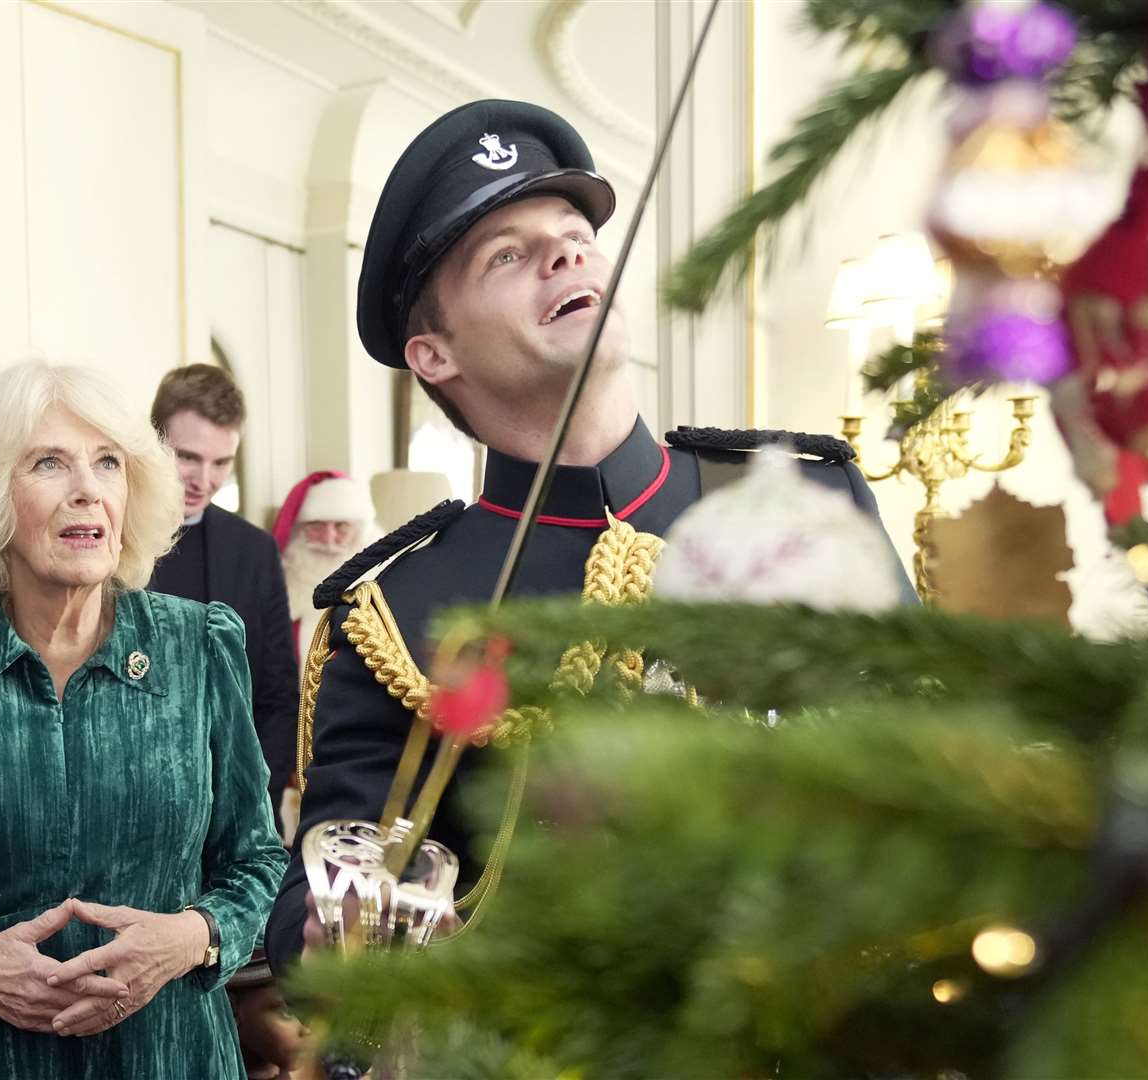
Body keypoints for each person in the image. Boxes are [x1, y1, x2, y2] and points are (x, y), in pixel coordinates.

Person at [265, 99, 916, 973]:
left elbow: (929, 763)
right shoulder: (393, 615)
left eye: (574, 233)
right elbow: (328, 898)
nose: (566, 254)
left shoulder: (802, 493)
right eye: (507, 254)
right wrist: (338, 935)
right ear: (434, 355)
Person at [0, 362, 285, 1078]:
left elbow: (256, 860)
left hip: (170, 1055)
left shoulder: (200, 645)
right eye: (49, 463)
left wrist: (192, 936)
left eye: (107, 464)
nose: (87, 490)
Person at [146, 365, 299, 837]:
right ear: (152, 442)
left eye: (222, 462)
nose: (204, 480)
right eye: (188, 457)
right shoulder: (104, 536)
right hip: (135, 810)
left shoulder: (254, 550)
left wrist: (250, 792)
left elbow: (278, 695)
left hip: (236, 815)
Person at [271, 471, 376, 664]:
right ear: (297, 530)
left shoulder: (383, 578)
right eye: (316, 526)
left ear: (360, 529)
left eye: (341, 526)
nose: (329, 539)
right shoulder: (276, 581)